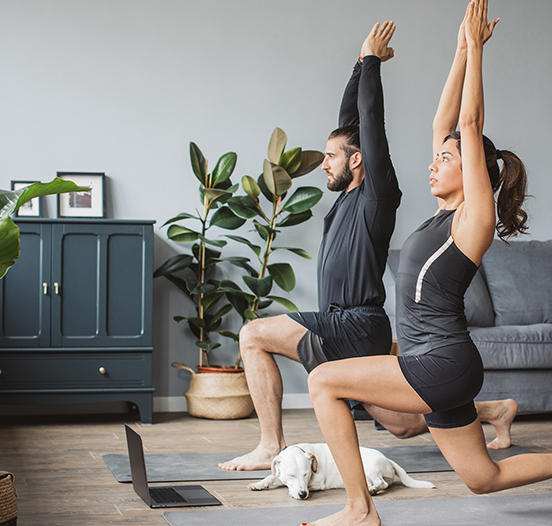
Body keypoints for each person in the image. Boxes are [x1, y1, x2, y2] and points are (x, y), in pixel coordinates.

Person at [304, 2, 552, 524]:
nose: (434, 162)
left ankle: (359, 509)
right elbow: (444, 122)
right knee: (482, 478)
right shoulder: (440, 214)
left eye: (446, 159)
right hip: (438, 364)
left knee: (324, 381)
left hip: (439, 363)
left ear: (472, 172)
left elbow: (467, 124)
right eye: (437, 157)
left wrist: (476, 53)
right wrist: (458, 49)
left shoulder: (475, 219)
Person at [220, 21, 518, 472]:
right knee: (402, 424)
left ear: (358, 160)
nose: (324, 164)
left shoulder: (377, 195)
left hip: (356, 323)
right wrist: (360, 64)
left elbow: (370, 124)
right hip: (342, 325)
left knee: (253, 334)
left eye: (333, 157)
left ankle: (269, 445)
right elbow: (351, 122)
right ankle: (490, 411)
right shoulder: (343, 199)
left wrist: (374, 63)